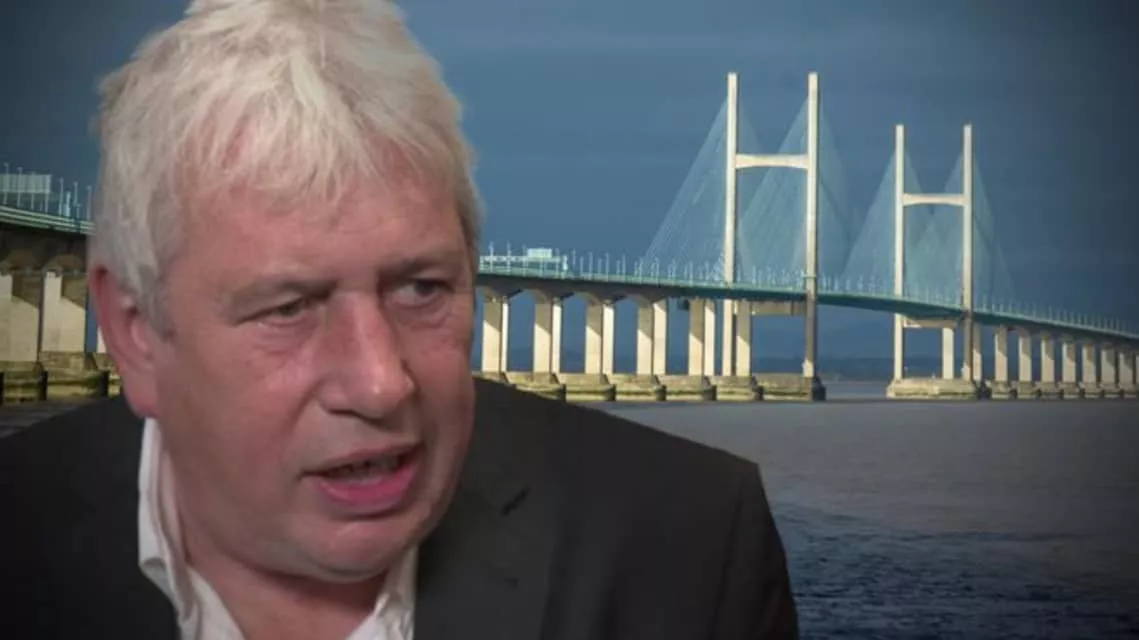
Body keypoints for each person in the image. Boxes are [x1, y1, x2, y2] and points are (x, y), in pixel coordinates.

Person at [0, 0, 798, 637]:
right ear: (136, 334)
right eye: (289, 308)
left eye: (420, 289)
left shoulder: (687, 546)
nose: (381, 382)